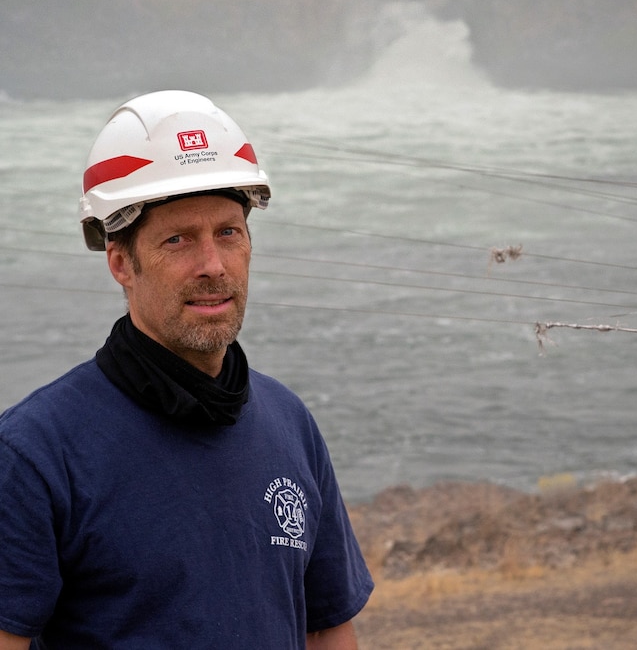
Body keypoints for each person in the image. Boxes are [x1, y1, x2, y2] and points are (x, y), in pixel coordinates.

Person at [0, 91, 373, 649]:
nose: (212, 266)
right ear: (121, 262)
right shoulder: (35, 450)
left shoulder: (288, 422)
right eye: (177, 240)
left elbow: (327, 630)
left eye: (229, 232)